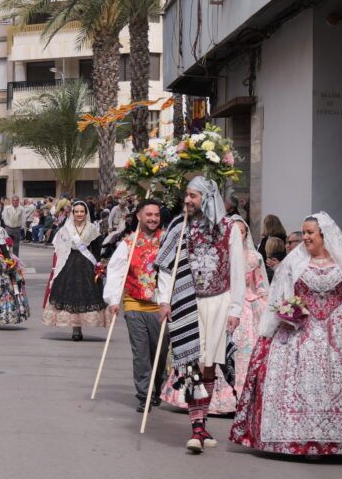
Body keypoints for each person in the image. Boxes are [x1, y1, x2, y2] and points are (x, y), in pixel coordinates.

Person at [230, 212, 342, 456]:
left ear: (323, 235)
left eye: (309, 233)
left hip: (339, 330)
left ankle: (340, 440)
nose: (305, 237)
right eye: (303, 233)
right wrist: (285, 314)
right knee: (296, 382)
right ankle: (298, 438)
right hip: (299, 330)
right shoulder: (294, 263)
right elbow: (280, 296)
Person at [156, 176, 245, 452]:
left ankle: (201, 424)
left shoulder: (228, 228)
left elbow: (237, 270)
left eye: (193, 196)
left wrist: (236, 308)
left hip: (220, 301)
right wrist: (163, 300)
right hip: (188, 301)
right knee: (192, 363)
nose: (187, 200)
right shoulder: (179, 226)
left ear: (206, 198)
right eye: (187, 195)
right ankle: (196, 429)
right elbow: (166, 267)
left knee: (209, 365)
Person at [103, 200, 166, 410]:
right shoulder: (128, 243)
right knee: (140, 353)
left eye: (156, 214)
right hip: (134, 304)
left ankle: (158, 387)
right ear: (139, 216)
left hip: (160, 306)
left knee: (160, 351)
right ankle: (143, 395)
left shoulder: (167, 241)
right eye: (148, 214)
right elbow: (116, 271)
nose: (153, 218)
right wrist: (113, 300)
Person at [43, 200, 107, 341]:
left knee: (84, 296)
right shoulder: (65, 229)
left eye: (82, 212)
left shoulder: (92, 229)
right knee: (71, 296)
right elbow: (58, 250)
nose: (79, 214)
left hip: (87, 266)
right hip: (69, 265)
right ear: (72, 213)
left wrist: (98, 268)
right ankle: (75, 329)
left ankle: (81, 324)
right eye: (76, 211)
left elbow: (96, 251)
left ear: (86, 213)